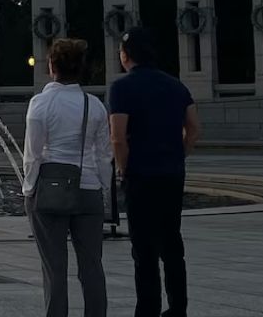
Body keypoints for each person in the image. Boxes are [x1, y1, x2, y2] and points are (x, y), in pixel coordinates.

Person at [109, 26, 201, 317]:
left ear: (125, 55)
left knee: (144, 249)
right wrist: (179, 153)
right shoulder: (176, 85)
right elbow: (194, 128)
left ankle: (147, 310)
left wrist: (124, 169)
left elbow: (117, 137)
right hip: (172, 174)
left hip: (141, 175)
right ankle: (178, 308)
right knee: (172, 243)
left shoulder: (121, 88)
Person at [23, 38, 112, 317]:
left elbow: (33, 155)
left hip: (50, 190)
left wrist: (29, 189)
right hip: (88, 190)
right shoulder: (94, 105)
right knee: (92, 267)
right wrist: (104, 192)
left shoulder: (40, 104)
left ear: (52, 66)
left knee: (54, 269)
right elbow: (103, 155)